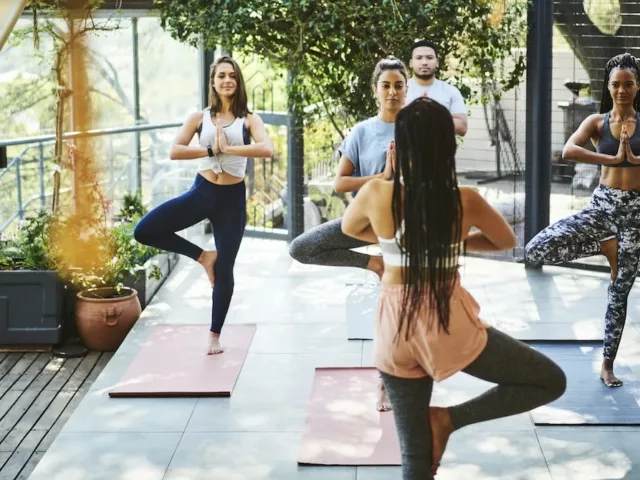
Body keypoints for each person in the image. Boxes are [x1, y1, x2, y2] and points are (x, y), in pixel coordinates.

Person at [341, 97, 566, 480]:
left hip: (393, 331)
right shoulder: (465, 200)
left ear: (401, 145)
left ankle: (438, 428)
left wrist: (391, 239)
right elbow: (505, 241)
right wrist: (450, 243)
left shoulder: (376, 194)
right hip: (447, 327)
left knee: (415, 462)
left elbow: (349, 229)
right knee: (549, 380)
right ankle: (448, 419)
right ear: (448, 145)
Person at [289, 56, 407, 411]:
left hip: (404, 229)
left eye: (399, 85)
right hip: (361, 226)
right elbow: (340, 182)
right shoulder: (362, 131)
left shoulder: (419, 129)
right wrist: (381, 177)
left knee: (393, 309)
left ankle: (388, 384)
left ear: (407, 90)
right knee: (302, 247)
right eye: (385, 85)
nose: (392, 91)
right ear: (375, 91)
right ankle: (372, 264)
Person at [134, 56, 273, 355]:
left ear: (238, 82)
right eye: (221, 75)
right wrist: (211, 148)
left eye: (232, 76)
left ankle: (214, 335)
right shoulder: (199, 118)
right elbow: (175, 151)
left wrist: (230, 148)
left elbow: (267, 148)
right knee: (144, 230)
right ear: (213, 82)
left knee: (226, 268)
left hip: (231, 201)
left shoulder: (250, 119)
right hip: (202, 192)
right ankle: (202, 256)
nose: (227, 80)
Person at [525, 53, 640, 387]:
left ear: (637, 86)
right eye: (616, 84)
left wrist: (634, 159)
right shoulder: (597, 122)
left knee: (619, 293)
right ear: (608, 86)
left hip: (634, 216)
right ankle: (604, 245)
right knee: (537, 249)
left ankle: (607, 365)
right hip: (602, 207)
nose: (622, 90)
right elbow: (567, 151)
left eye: (629, 84)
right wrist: (612, 158)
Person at [405, 39, 468, 137]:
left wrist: (432, 114)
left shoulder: (450, 91)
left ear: (437, 62)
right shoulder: (400, 90)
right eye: (419, 58)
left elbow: (462, 127)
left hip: (441, 151)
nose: (424, 62)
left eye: (429, 57)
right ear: (411, 63)